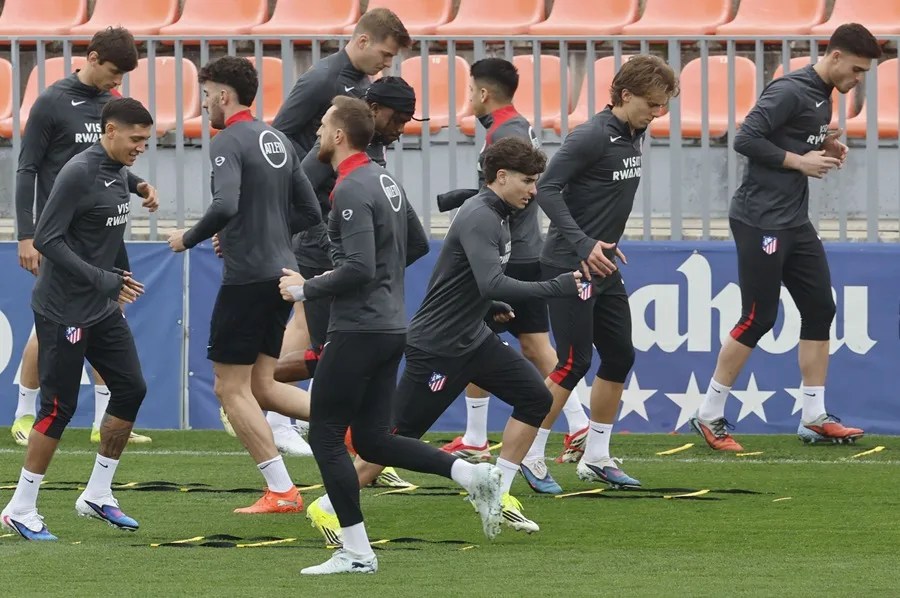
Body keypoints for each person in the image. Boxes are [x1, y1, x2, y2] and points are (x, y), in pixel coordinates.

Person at [304, 136, 586, 548]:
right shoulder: (481, 216)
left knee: (535, 398)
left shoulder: (498, 213)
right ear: (501, 177)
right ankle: (326, 507)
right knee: (389, 441)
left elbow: (474, 282)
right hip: (437, 347)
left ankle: (496, 491)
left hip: (473, 338)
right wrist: (556, 286)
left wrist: (488, 306)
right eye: (528, 180)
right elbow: (489, 279)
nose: (534, 190)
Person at [279, 96, 505, 575]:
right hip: (389, 326)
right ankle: (470, 474)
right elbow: (417, 243)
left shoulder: (350, 189)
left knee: (324, 435)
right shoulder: (384, 179)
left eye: (322, 125)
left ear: (339, 135)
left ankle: (358, 552)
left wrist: (307, 288)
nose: (318, 133)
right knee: (374, 440)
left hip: (358, 329)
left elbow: (358, 267)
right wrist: (381, 281)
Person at [690, 23, 881, 451]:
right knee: (758, 317)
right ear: (834, 57)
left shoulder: (822, 97)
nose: (857, 80)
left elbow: (794, 133)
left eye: (863, 73)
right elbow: (745, 138)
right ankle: (708, 414)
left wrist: (828, 142)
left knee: (820, 308)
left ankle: (813, 416)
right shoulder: (790, 90)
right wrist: (798, 160)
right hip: (760, 220)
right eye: (855, 69)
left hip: (793, 220)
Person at [166, 57, 323, 514]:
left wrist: (188, 238)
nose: (204, 103)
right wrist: (263, 231)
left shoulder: (227, 141)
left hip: (248, 278)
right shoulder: (276, 139)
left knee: (228, 388)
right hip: (281, 275)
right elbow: (310, 213)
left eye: (206, 93)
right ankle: (354, 428)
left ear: (223, 95)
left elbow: (225, 202)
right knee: (263, 385)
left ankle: (281, 490)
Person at [1, 97, 158, 541]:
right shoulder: (78, 172)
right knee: (59, 408)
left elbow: (120, 184)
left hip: (102, 306)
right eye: (135, 139)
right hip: (63, 308)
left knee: (131, 388)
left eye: (147, 140)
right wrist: (102, 280)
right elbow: (47, 239)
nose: (141, 147)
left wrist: (141, 185)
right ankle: (20, 507)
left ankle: (97, 494)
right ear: (110, 131)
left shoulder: (116, 171)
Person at [260, 8, 412, 450]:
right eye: (385, 54)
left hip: (346, 216)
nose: (387, 64)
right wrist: (272, 208)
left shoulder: (367, 87)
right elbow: (277, 143)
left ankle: (276, 405)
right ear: (362, 41)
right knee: (325, 330)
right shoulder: (321, 80)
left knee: (314, 323)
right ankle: (276, 408)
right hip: (318, 220)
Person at [436, 58, 591, 486]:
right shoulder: (510, 126)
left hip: (513, 250)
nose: (467, 97)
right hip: (514, 246)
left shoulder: (505, 132)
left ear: (483, 92)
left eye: (469, 89)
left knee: (529, 344)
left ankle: (577, 421)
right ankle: (474, 434)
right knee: (488, 336)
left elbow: (514, 193)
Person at [536, 54, 678, 491]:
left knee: (619, 356)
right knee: (573, 361)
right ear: (625, 94)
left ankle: (596, 456)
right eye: (652, 104)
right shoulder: (592, 136)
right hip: (569, 262)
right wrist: (582, 243)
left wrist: (601, 246)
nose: (659, 114)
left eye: (664, 105)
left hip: (603, 263)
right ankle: (528, 452)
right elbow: (546, 189)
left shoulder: (633, 132)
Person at [276, 75, 427, 487]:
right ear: (374, 113)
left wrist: (361, 273)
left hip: (349, 293)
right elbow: (299, 191)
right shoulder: (366, 169)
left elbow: (383, 256)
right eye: (399, 118)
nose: (402, 128)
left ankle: (260, 391)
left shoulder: (363, 169)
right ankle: (268, 401)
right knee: (331, 370)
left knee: (328, 392)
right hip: (340, 278)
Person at [11, 27, 157, 447]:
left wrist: (139, 184)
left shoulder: (115, 106)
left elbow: (111, 165)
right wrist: (27, 233)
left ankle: (103, 420)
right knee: (52, 322)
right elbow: (27, 168)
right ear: (91, 58)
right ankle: (24, 412)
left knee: (109, 312)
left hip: (103, 229)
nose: (118, 83)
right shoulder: (51, 103)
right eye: (113, 72)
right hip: (60, 234)